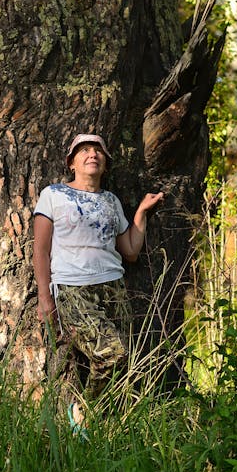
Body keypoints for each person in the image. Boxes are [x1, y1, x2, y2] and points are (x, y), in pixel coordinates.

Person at [33, 133, 164, 435]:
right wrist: (44, 296)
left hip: (113, 286)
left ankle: (102, 426)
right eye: (84, 150)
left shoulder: (110, 201)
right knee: (111, 352)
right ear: (72, 162)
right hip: (72, 287)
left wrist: (141, 212)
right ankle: (82, 409)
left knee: (126, 361)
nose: (92, 154)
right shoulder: (53, 194)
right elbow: (40, 249)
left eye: (98, 151)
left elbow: (130, 251)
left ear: (105, 164)